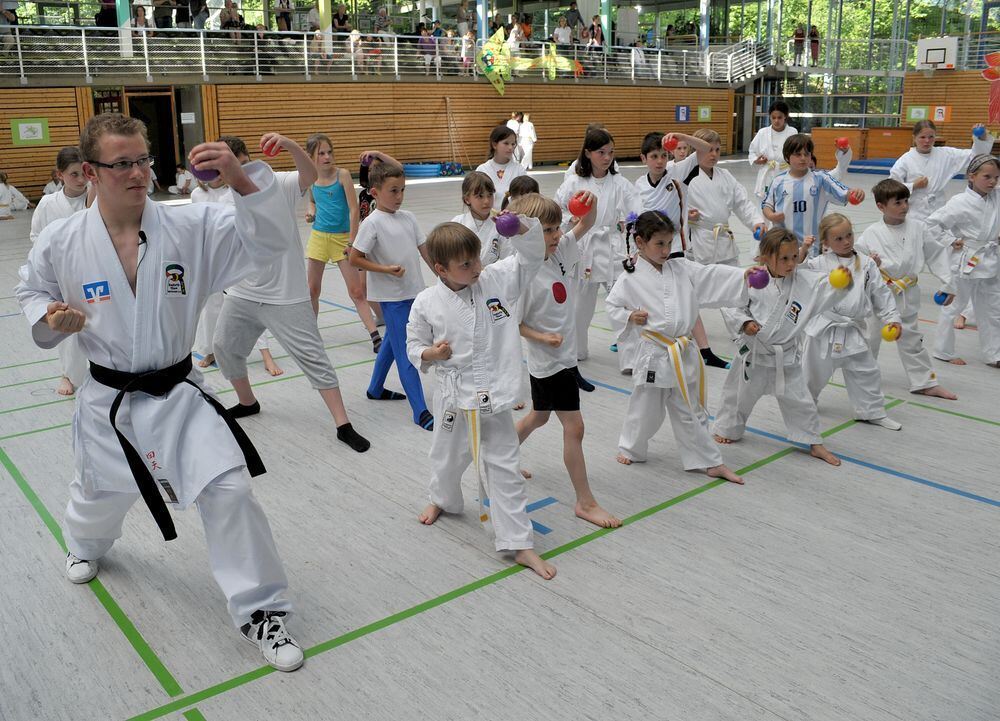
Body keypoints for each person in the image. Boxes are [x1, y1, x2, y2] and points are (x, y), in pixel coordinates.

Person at [15, 113, 304, 672]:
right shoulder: (63, 238)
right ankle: (86, 545)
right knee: (100, 495)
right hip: (109, 400)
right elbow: (32, 289)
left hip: (177, 392)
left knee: (229, 490)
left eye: (143, 160)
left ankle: (262, 610)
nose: (138, 173)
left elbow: (267, 244)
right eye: (121, 163)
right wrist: (51, 318)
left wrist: (243, 181)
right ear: (91, 172)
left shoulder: (190, 226)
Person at [407, 217, 557, 580]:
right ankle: (442, 499)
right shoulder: (426, 302)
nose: (476, 267)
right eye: (466, 264)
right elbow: (413, 345)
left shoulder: (495, 279)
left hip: (493, 395)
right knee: (446, 456)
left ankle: (519, 543)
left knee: (504, 466)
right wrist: (431, 354)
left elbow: (531, 257)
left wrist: (521, 229)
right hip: (453, 397)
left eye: (476, 259)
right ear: (440, 269)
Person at [211, 134, 370, 453]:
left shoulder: (276, 181)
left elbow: (310, 175)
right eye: (223, 167)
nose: (230, 171)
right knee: (224, 346)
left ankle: (343, 423)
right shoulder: (224, 201)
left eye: (234, 162)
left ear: (245, 159)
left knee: (314, 358)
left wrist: (288, 143)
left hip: (286, 294)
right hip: (244, 292)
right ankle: (248, 402)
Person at [607, 211, 759, 484]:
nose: (666, 251)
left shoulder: (681, 268)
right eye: (659, 244)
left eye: (669, 243)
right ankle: (631, 446)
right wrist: (629, 316)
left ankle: (709, 461)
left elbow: (710, 276)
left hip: (682, 351)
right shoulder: (629, 277)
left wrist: (742, 276)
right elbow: (612, 306)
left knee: (691, 409)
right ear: (640, 243)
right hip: (654, 353)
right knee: (646, 409)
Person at [510, 192, 620, 526]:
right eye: (548, 230)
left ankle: (496, 455)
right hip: (550, 362)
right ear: (527, 234)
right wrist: (543, 337)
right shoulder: (523, 274)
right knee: (575, 426)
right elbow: (514, 322)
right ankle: (585, 502)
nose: (557, 235)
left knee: (539, 416)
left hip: (563, 358)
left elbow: (585, 222)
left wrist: (592, 203)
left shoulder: (558, 253)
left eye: (557, 227)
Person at [712, 228, 846, 466]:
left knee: (801, 401)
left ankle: (814, 441)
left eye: (794, 257)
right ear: (765, 256)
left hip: (785, 357)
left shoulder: (803, 280)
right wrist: (745, 322)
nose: (791, 263)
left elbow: (825, 288)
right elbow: (731, 304)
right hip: (754, 356)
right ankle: (727, 429)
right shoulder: (751, 278)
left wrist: (842, 280)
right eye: (784, 258)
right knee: (737, 396)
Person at [349, 160, 435, 430]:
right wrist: (384, 268)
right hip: (392, 298)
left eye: (402, 190)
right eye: (393, 191)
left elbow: (424, 250)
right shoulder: (372, 224)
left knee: (393, 341)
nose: (399, 197)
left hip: (413, 293)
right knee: (407, 351)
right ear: (375, 193)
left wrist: (443, 275)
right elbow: (354, 258)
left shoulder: (408, 217)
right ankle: (420, 410)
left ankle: (375, 388)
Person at [633, 131, 728, 370]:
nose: (659, 161)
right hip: (647, 254)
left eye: (664, 155)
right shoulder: (638, 185)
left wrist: (680, 136)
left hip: (674, 249)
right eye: (654, 156)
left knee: (687, 296)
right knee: (649, 301)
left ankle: (705, 350)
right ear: (643, 158)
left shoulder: (677, 173)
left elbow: (705, 148)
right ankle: (639, 346)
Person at [855, 178, 957, 400]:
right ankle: (862, 377)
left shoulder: (919, 228)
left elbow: (936, 254)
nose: (904, 207)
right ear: (881, 206)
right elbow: (856, 262)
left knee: (911, 338)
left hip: (907, 292)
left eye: (905, 201)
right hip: (878, 293)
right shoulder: (871, 233)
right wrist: (871, 264)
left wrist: (948, 283)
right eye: (897, 203)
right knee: (870, 336)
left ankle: (925, 382)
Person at [802, 213, 903, 429]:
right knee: (812, 373)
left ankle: (871, 410)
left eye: (849, 235)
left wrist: (892, 318)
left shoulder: (866, 264)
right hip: (823, 329)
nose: (846, 241)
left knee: (866, 370)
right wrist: (802, 251)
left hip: (853, 329)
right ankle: (804, 404)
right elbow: (796, 276)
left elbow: (881, 293)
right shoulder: (818, 263)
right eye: (838, 239)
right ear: (826, 242)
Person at [889, 121, 992, 330]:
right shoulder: (905, 160)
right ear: (914, 138)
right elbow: (890, 186)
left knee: (954, 260)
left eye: (931, 137)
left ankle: (959, 306)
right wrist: (912, 186)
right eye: (922, 137)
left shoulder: (945, 154)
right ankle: (894, 295)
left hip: (939, 211)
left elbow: (974, 157)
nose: (927, 141)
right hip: (915, 213)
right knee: (908, 258)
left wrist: (980, 139)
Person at [189, 159, 283, 378]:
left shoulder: (232, 192)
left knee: (247, 301)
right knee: (211, 307)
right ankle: (211, 351)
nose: (218, 175)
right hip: (210, 256)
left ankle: (266, 355)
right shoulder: (196, 195)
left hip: (235, 255)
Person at [555, 126, 642, 362]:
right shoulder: (574, 182)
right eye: (601, 152)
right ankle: (576, 352)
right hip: (584, 248)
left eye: (611, 153)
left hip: (614, 248)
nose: (607, 158)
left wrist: (632, 234)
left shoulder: (620, 183)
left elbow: (637, 210)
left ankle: (630, 355)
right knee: (580, 308)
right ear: (588, 153)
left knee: (624, 301)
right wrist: (569, 219)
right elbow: (558, 208)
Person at [305, 133, 381, 351]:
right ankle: (311, 335)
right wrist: (311, 212)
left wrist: (351, 241)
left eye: (329, 152)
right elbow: (311, 202)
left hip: (342, 239)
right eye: (321, 153)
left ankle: (375, 336)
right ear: (312, 157)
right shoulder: (309, 178)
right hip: (319, 237)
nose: (327, 157)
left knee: (356, 291)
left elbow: (353, 208)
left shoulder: (343, 175)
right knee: (312, 290)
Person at [925, 154, 1000, 368]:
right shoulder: (959, 202)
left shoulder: (997, 196)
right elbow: (932, 224)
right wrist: (950, 240)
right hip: (965, 260)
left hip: (991, 258)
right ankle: (943, 350)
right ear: (972, 176)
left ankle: (994, 354)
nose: (993, 182)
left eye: (996, 177)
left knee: (993, 309)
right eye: (987, 177)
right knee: (952, 306)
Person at [29, 147, 91, 397]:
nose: (80, 179)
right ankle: (68, 373)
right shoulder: (47, 204)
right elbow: (36, 237)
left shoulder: (98, 198)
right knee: (67, 326)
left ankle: (102, 372)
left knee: (99, 325)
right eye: (73, 174)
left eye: (84, 173)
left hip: (94, 270)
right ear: (60, 175)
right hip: (61, 277)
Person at [763, 133, 865, 257]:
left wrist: (856, 193)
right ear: (787, 157)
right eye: (798, 154)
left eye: (807, 154)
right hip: (783, 248)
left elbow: (845, 193)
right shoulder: (778, 181)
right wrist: (771, 216)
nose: (803, 158)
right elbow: (767, 205)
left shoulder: (821, 179)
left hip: (813, 250)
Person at [684, 128, 765, 266]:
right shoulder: (685, 176)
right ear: (696, 149)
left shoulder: (725, 175)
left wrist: (756, 221)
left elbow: (741, 203)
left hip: (724, 241)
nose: (714, 154)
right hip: (699, 241)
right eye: (709, 150)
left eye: (717, 150)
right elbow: (673, 206)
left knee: (731, 282)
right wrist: (686, 215)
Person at [747, 100, 798, 200]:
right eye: (773, 118)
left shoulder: (792, 132)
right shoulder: (762, 133)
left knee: (785, 203)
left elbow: (797, 153)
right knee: (766, 204)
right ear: (770, 117)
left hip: (786, 172)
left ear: (785, 117)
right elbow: (752, 151)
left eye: (779, 117)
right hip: (768, 172)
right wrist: (757, 160)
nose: (776, 121)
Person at [451, 171, 504, 265]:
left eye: (490, 195)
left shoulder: (501, 224)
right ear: (467, 199)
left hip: (494, 277)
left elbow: (507, 259)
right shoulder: (457, 224)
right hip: (464, 277)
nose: (487, 201)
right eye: (480, 196)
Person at [477, 124, 528, 210]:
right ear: (494, 145)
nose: (510, 147)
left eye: (513, 144)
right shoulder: (482, 170)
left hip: (514, 217)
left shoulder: (519, 170)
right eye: (506, 143)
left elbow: (526, 198)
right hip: (488, 218)